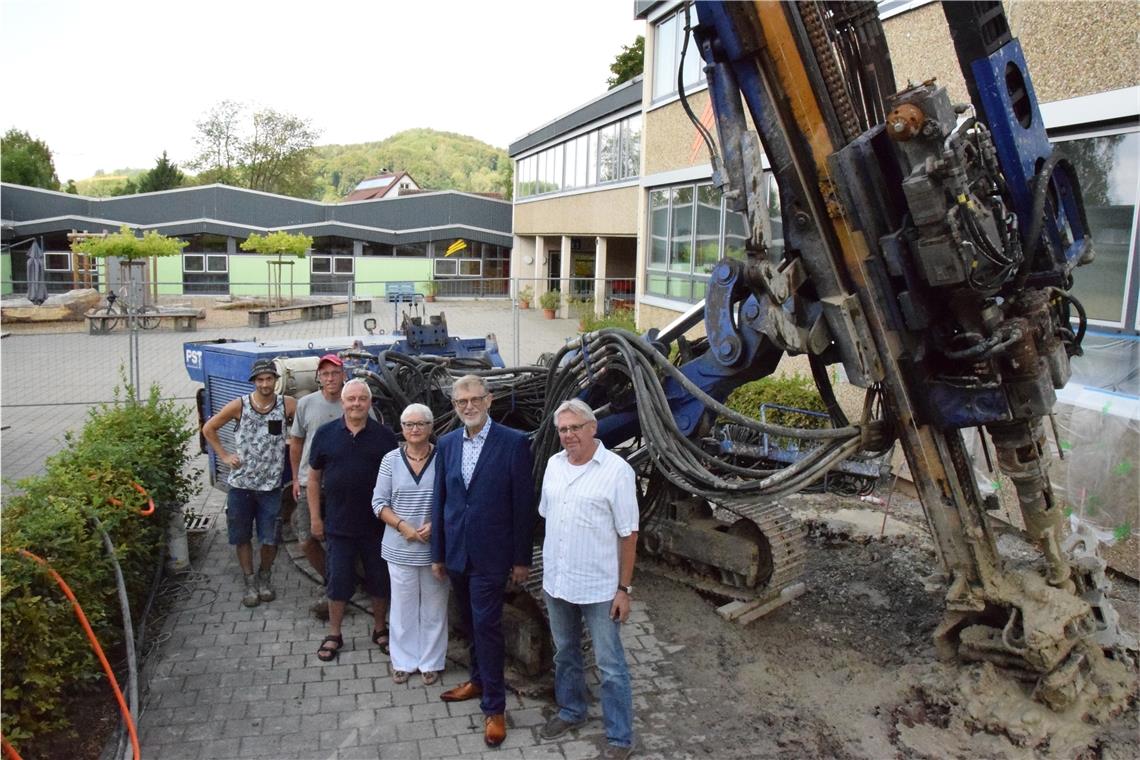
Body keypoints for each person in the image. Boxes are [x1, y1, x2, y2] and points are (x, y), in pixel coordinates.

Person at [431, 375, 535, 748]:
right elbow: (441, 501)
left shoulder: (513, 443)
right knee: (471, 624)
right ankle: (477, 680)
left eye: (475, 399)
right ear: (455, 406)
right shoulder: (446, 444)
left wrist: (521, 558)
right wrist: (438, 553)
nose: (469, 406)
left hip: (493, 554)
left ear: (489, 400)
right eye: (462, 402)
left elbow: (523, 507)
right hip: (458, 552)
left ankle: (494, 707)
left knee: (487, 626)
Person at [538, 399, 638, 760]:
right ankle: (571, 710)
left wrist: (623, 590)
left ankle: (620, 736)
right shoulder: (553, 465)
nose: (568, 435)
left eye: (575, 428)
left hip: (599, 587)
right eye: (563, 430)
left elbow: (629, 535)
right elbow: (550, 518)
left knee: (610, 665)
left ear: (593, 428)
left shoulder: (617, 471)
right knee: (565, 653)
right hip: (559, 582)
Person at [307, 379, 398, 662]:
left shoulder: (385, 437)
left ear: (369, 403)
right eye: (351, 399)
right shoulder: (325, 434)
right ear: (342, 403)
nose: (356, 403)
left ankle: (380, 629)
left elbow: (397, 481)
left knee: (379, 580)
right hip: (338, 525)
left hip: (376, 526)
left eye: (362, 398)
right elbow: (313, 478)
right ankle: (334, 633)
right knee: (338, 581)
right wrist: (315, 518)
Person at [202, 358, 297, 608]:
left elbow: (302, 432)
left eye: (269, 379)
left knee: (270, 537)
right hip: (241, 485)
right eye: (260, 379)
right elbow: (209, 428)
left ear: (276, 381)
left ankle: (265, 576)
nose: (265, 384)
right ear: (254, 382)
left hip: (271, 487)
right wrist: (223, 455)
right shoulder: (239, 406)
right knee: (241, 535)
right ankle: (249, 579)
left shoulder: (287, 405)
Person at [372, 403, 448, 686]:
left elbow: (452, 498)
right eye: (408, 425)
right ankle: (402, 661)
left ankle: (431, 661)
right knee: (403, 607)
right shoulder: (390, 460)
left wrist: (437, 524)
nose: (414, 429)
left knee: (434, 606)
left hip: (434, 548)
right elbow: (378, 502)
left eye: (421, 424)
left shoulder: (443, 458)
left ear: (431, 427)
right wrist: (403, 526)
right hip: (399, 546)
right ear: (401, 429)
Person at [289, 353, 347, 620]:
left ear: (343, 375)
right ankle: (333, 580)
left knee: (340, 539)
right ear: (318, 378)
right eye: (325, 374)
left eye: (334, 373)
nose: (330, 378)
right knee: (306, 540)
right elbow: (297, 442)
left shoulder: (355, 401)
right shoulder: (307, 404)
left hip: (343, 485)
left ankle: (337, 588)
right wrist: (294, 477)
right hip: (309, 482)